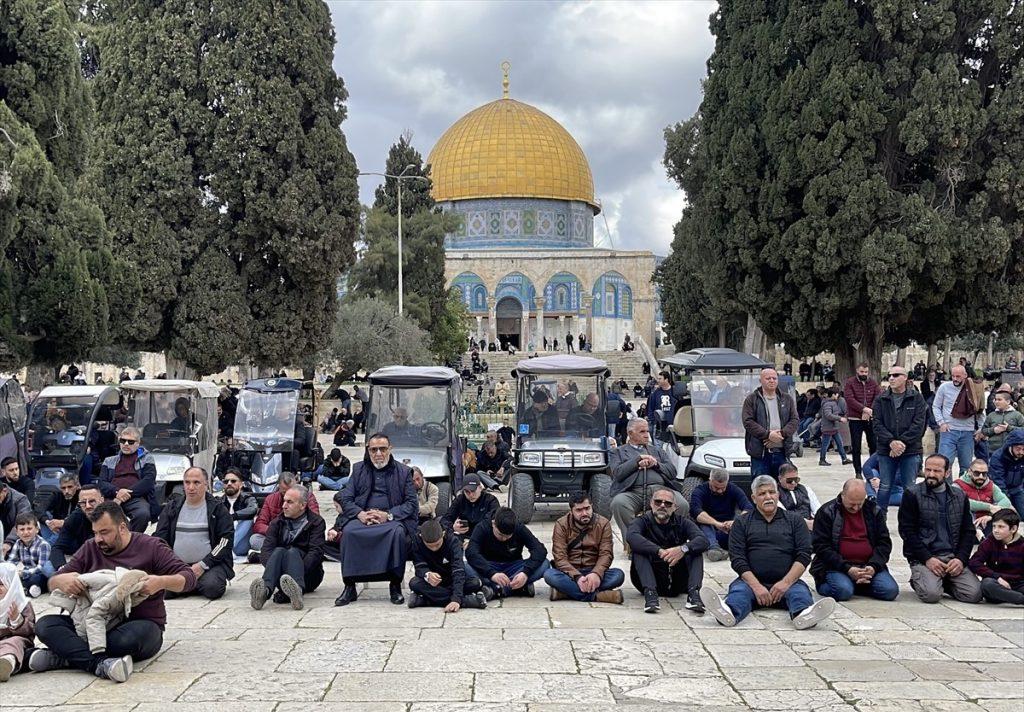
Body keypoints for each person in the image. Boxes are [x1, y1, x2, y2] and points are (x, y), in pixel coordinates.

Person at [32, 501, 196, 683]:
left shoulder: (151, 546)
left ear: (122, 528)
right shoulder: (90, 547)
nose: (98, 539)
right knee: (45, 625)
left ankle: (65, 656)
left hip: (136, 624)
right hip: (91, 624)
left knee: (129, 639)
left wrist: (161, 582)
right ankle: (97, 664)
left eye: (104, 532)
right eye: (95, 533)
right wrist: (62, 581)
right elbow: (54, 580)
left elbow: (188, 578)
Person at [699, 475, 836, 629]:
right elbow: (737, 559)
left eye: (772, 492)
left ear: (778, 494)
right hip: (750, 582)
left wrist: (785, 583)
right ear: (753, 498)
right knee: (738, 594)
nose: (768, 497)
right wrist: (756, 586)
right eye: (762, 494)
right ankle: (727, 612)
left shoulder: (795, 520)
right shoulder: (741, 522)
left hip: (788, 582)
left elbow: (804, 555)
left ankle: (804, 615)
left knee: (800, 595)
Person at [335, 434, 418, 606]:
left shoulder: (403, 472)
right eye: (374, 449)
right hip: (363, 518)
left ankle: (394, 585)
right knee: (349, 533)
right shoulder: (358, 470)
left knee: (397, 534)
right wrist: (360, 514)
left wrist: (387, 515)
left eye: (382, 449)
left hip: (390, 519)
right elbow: (346, 498)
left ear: (390, 449)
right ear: (368, 450)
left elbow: (411, 504)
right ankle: (349, 586)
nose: (378, 453)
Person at [897, 454, 983, 604]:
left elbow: (968, 531)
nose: (931, 474)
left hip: (952, 556)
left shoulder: (959, 496)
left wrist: (961, 559)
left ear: (947, 473)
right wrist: (927, 559)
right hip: (925, 558)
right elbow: (907, 532)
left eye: (936, 471)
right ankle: (923, 579)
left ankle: (944, 581)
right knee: (931, 595)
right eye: (928, 470)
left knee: (974, 595)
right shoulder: (912, 494)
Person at [810, 479, 899, 601]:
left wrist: (873, 566)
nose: (856, 508)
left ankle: (858, 583)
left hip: (867, 565)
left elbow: (884, 543)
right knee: (843, 591)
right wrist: (847, 568)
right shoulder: (827, 512)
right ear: (842, 496)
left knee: (890, 591)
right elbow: (821, 547)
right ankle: (833, 584)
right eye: (852, 504)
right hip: (836, 566)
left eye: (860, 503)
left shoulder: (873, 510)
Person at [153, 467, 233, 600]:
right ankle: (187, 583)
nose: (191, 487)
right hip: (176, 565)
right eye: (187, 482)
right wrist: (170, 563)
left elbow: (226, 541)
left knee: (212, 587)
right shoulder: (172, 507)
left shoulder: (217, 509)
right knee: (161, 591)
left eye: (196, 482)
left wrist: (203, 565)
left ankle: (185, 585)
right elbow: (160, 538)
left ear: (206, 484)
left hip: (208, 565)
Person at [628, 488, 708, 613]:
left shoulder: (683, 522)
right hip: (648, 578)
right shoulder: (641, 521)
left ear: (675, 507)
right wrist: (659, 551)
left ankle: (694, 594)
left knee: (694, 550)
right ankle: (651, 595)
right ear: (651, 504)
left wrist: (682, 549)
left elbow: (703, 540)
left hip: (678, 580)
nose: (662, 506)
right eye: (658, 502)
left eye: (668, 503)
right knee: (638, 550)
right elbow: (632, 537)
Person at [609, 419, 686, 544]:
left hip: (661, 490)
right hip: (633, 492)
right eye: (642, 432)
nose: (647, 435)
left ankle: (671, 538)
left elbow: (672, 472)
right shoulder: (618, 452)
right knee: (618, 503)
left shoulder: (657, 451)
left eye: (647, 431)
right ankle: (634, 541)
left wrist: (656, 464)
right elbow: (618, 473)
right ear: (630, 433)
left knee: (682, 504)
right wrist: (637, 460)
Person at [251, 485, 326, 610]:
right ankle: (265, 592)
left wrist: (297, 569)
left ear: (303, 505)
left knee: (293, 551)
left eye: (289, 502)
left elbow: (316, 553)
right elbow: (266, 551)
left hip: (309, 576)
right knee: (279, 550)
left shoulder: (316, 522)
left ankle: (297, 591)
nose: (284, 505)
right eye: (284, 501)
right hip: (282, 578)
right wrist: (278, 571)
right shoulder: (277, 522)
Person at [544, 492, 624, 603]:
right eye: (579, 510)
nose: (584, 513)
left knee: (618, 575)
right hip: (570, 573)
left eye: (587, 508)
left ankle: (565, 593)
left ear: (592, 506)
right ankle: (598, 596)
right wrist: (577, 577)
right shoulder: (561, 524)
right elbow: (560, 558)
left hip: (593, 570)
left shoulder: (603, 523)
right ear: (571, 511)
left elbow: (606, 554)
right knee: (549, 575)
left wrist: (596, 573)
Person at [871, 365, 927, 512]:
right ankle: (879, 521)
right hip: (886, 450)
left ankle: (912, 520)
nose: (891, 378)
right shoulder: (881, 399)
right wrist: (891, 442)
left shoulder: (917, 398)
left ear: (905, 378)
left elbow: (919, 425)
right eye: (889, 375)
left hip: (910, 450)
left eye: (896, 375)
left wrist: (901, 443)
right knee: (884, 486)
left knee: (910, 487)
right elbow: (877, 424)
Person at [465, 506, 548, 599]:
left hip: (514, 568)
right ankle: (518, 588)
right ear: (493, 524)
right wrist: (491, 573)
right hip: (489, 566)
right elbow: (471, 552)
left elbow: (539, 550)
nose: (504, 539)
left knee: (545, 563)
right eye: (500, 534)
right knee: (465, 566)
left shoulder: (519, 527)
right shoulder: (482, 527)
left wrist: (525, 573)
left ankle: (496, 590)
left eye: (508, 536)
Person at [408, 519, 486, 610]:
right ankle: (466, 601)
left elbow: (458, 569)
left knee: (475, 583)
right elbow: (419, 566)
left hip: (452, 578)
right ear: (421, 537)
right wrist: (427, 574)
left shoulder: (453, 541)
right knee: (414, 583)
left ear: (443, 534)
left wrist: (456, 599)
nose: (434, 549)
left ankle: (425, 600)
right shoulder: (417, 541)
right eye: (430, 546)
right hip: (432, 583)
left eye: (437, 544)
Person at [742, 368, 799, 481]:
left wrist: (781, 435)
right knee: (761, 485)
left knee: (783, 487)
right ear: (761, 380)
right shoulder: (752, 399)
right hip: (760, 454)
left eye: (774, 378)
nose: (772, 381)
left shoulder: (787, 399)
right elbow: (748, 421)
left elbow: (794, 420)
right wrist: (767, 435)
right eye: (768, 378)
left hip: (782, 452)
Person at [97, 426, 157, 533]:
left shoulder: (147, 459)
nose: (126, 444)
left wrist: (124, 495)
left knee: (143, 514)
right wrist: (117, 492)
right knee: (101, 515)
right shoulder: (109, 461)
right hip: (112, 496)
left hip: (135, 497)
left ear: (138, 443)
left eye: (130, 442)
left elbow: (148, 482)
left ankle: (129, 540)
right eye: (123, 441)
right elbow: (102, 483)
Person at [249, 473, 320, 556]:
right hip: (278, 537)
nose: (288, 495)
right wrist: (275, 531)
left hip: (299, 537)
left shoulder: (307, 496)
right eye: (285, 492)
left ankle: (277, 554)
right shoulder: (270, 499)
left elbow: (315, 521)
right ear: (278, 487)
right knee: (254, 539)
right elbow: (259, 524)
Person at [689, 469, 751, 561]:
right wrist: (716, 524)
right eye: (716, 488)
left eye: (723, 488)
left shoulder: (734, 489)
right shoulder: (700, 491)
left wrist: (735, 522)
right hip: (707, 530)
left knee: (743, 523)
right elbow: (696, 512)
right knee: (704, 524)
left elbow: (748, 508)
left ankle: (735, 548)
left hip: (727, 528)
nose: (720, 491)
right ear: (710, 480)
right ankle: (714, 548)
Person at [968, 508, 1024, 605]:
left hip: (1018, 584)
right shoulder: (989, 542)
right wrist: (997, 577)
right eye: (994, 526)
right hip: (997, 584)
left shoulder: (1022, 545)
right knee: (986, 584)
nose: (996, 530)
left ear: (1013, 529)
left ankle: (1014, 597)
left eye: (1001, 527)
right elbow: (974, 563)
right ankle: (1020, 599)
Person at [932, 365, 981, 476]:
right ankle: (946, 491)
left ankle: (962, 492)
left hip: (967, 431)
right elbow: (935, 406)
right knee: (944, 464)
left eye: (958, 376)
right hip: (949, 430)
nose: (955, 379)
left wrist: (980, 428)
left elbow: (980, 409)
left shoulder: (973, 388)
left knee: (966, 466)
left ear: (965, 375)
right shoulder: (944, 387)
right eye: (953, 376)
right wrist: (941, 423)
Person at [47, 484, 103, 572]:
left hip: (106, 562)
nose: (87, 506)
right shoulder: (75, 518)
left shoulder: (112, 516)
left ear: (101, 500)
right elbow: (57, 548)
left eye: (92, 501)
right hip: (80, 561)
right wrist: (63, 569)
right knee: (47, 568)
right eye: (83, 503)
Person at [954, 459, 1013, 540]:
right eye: (977, 473)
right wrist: (989, 507)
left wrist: (991, 516)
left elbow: (1005, 501)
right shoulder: (957, 484)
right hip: (965, 525)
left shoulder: (990, 485)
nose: (981, 476)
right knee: (963, 509)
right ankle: (977, 531)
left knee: (1009, 510)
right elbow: (961, 502)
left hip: (985, 522)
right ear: (969, 472)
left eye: (984, 473)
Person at [843, 363, 880, 479]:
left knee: (874, 444)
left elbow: (877, 397)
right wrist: (863, 409)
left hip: (870, 418)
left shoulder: (873, 383)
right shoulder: (850, 383)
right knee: (856, 446)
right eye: (861, 372)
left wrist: (869, 411)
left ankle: (874, 469)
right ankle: (858, 471)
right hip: (855, 419)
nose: (864, 374)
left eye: (865, 372)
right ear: (857, 371)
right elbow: (849, 399)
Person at [0, 563, 35, 682]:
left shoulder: (21, 604)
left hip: (16, 639)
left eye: (1, 584)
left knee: (13, 643)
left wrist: (16, 619)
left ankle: (5, 664)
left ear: (11, 585)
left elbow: (29, 630)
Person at [441, 474, 499, 542]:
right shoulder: (460, 500)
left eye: (473, 491)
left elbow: (495, 520)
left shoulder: (491, 500)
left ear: (480, 488)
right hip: (463, 537)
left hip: (484, 537)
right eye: (467, 492)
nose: (471, 495)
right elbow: (444, 520)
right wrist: (453, 527)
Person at [5, 513, 49, 597]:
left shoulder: (43, 544)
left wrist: (23, 573)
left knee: (35, 579)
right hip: (26, 573)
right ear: (17, 532)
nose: (26, 532)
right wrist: (8, 571)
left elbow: (41, 567)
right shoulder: (18, 543)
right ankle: (27, 590)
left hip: (41, 574)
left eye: (29, 529)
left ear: (37, 529)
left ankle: (26, 590)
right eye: (22, 529)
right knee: (10, 578)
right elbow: (11, 561)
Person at [219, 468, 257, 560]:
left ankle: (227, 550)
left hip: (241, 544)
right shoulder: (218, 502)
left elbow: (253, 509)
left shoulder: (248, 499)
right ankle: (226, 550)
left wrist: (234, 516)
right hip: (222, 541)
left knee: (247, 519)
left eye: (233, 481)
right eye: (226, 481)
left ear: (241, 484)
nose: (229, 483)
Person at [37, 473, 80, 545]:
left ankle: (46, 546)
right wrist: (48, 522)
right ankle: (48, 544)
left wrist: (64, 523)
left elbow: (80, 518)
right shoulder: (57, 495)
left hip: (74, 530)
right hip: (56, 529)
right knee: (44, 515)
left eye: (70, 487)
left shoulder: (82, 496)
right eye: (63, 488)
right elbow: (39, 509)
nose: (66, 491)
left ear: (77, 486)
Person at [989, 429, 1024, 516]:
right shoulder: (998, 457)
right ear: (1010, 446)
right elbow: (998, 481)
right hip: (1000, 490)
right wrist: (1007, 502)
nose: (1021, 452)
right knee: (1007, 516)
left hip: (1017, 489)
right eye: (1018, 449)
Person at [776, 463, 821, 529]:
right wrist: (804, 523)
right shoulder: (775, 493)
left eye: (796, 479)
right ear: (780, 479)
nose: (793, 483)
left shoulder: (806, 489)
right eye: (789, 480)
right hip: (789, 527)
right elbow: (783, 514)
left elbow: (818, 509)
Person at [981, 390, 1024, 456]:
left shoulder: (1017, 415)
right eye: (995, 399)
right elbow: (984, 431)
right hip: (992, 452)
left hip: (1011, 453)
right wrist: (993, 430)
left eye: (999, 399)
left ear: (1008, 401)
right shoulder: (991, 415)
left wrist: (1009, 428)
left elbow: (1023, 430)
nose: (996, 402)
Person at [818, 388, 851, 466]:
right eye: (836, 394)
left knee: (840, 443)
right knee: (825, 445)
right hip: (828, 428)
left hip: (834, 427)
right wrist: (840, 418)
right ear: (833, 395)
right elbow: (828, 415)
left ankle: (844, 459)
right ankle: (822, 460)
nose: (838, 396)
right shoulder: (827, 403)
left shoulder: (832, 402)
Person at [0, 482, 32, 558]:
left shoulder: (20, 499)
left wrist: (8, 543)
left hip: (19, 539)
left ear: (4, 491)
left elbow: (21, 524)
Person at [645, 371, 678, 439]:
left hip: (674, 424)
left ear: (666, 380)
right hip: (659, 426)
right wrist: (653, 421)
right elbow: (651, 408)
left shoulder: (675, 392)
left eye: (660, 379)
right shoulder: (656, 393)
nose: (658, 380)